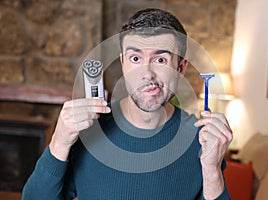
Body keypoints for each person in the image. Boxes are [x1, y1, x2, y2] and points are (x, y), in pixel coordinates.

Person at [22, 8, 232, 200]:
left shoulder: (202, 140)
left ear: (181, 68)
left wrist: (212, 169)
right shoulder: (87, 130)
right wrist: (59, 142)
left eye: (160, 60)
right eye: (135, 58)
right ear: (122, 63)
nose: (147, 73)